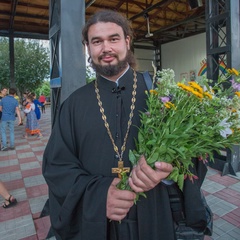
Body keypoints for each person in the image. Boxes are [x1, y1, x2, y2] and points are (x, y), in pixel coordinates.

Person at [43, 10, 208, 240]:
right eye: (97, 41)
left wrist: (169, 169)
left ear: (127, 41)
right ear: (87, 48)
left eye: (113, 38)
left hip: (154, 216)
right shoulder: (73, 105)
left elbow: (195, 154)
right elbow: (56, 166)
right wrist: (100, 196)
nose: (106, 48)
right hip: (99, 224)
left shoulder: (163, 95)